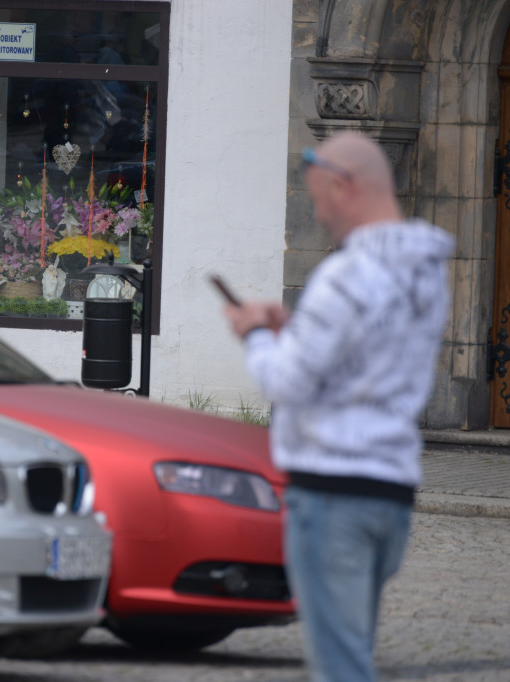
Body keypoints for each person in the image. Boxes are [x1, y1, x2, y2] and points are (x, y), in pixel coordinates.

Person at [221, 131, 454, 682]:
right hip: (391, 491)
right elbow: (362, 362)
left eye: (318, 197)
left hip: (332, 494)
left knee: (341, 669)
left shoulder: (345, 277)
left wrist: (255, 333)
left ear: (342, 185)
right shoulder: (425, 270)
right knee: (354, 654)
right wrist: (298, 332)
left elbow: (285, 382)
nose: (318, 213)